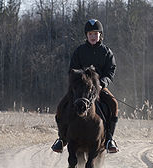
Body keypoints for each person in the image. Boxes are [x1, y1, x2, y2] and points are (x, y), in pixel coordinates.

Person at [51, 19, 119, 153]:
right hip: (80, 89)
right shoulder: (79, 51)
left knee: (113, 104)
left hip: (99, 87)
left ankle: (110, 138)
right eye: (90, 34)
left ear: (100, 35)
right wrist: (78, 83)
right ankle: (61, 139)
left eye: (95, 34)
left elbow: (111, 70)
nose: (93, 36)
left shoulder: (106, 52)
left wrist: (102, 83)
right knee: (60, 107)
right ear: (86, 35)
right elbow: (72, 70)